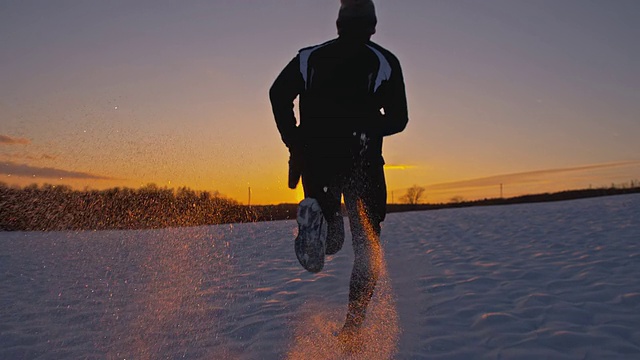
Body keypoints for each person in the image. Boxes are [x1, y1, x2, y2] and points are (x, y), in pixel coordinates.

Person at [269, 0, 408, 343]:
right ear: (373, 26)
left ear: (339, 24)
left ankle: (316, 220)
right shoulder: (384, 61)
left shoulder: (308, 57)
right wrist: (366, 122)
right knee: (367, 246)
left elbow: (277, 94)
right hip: (363, 164)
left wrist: (296, 142)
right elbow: (399, 119)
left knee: (331, 241)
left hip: (317, 162)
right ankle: (353, 326)